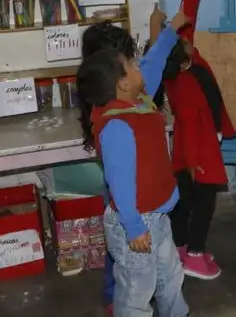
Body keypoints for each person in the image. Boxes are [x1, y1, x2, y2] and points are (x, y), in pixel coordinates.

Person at [76, 6, 190, 317]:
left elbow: (153, 63)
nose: (139, 63)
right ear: (121, 83)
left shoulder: (138, 101)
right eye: (131, 63)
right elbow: (121, 183)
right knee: (137, 291)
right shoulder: (117, 126)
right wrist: (134, 226)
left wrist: (170, 30)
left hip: (157, 216)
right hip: (136, 220)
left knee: (170, 277)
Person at [67, 17, 157, 314]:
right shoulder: (111, 113)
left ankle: (124, 293)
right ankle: (117, 297)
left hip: (135, 189)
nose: (135, 65)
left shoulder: (111, 100)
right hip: (126, 194)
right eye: (129, 61)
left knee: (125, 248)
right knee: (121, 243)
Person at [153, 0, 236, 280]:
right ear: (185, 61)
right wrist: (194, 163)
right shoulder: (187, 85)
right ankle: (195, 256)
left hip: (194, 151)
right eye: (186, 41)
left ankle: (182, 250)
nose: (189, 39)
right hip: (198, 154)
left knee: (185, 202)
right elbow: (189, 126)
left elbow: (186, 22)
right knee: (202, 205)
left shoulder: (176, 66)